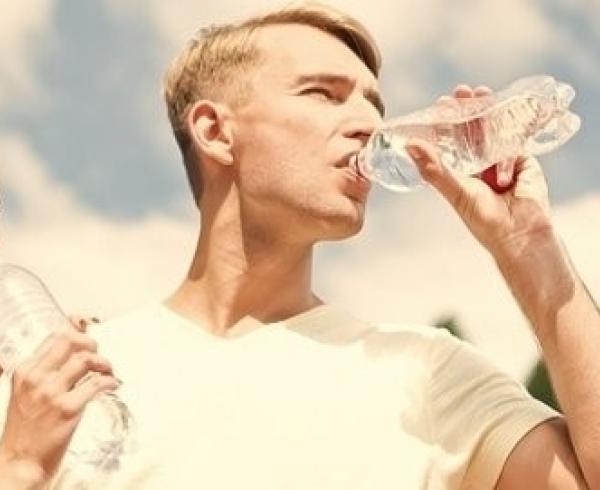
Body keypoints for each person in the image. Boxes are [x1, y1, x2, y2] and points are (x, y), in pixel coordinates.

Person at [0, 2, 598, 488]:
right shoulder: (60, 377)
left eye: (373, 102)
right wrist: (19, 468)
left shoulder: (427, 372)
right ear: (214, 131)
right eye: (323, 93)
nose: (369, 122)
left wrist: (531, 251)